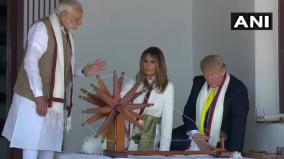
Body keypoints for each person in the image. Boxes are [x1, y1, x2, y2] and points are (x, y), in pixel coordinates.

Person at [2, 1, 106, 159]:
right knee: (32, 145)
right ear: (64, 16)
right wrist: (38, 96)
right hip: (33, 99)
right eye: (77, 19)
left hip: (54, 102)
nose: (80, 23)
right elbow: (30, 62)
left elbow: (62, 66)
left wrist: (83, 71)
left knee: (48, 146)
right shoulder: (42, 28)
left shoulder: (66, 35)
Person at [170, 55, 249, 153]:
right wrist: (195, 135)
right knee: (168, 140)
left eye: (213, 74)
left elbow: (238, 127)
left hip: (220, 139)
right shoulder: (198, 82)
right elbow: (188, 112)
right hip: (196, 135)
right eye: (206, 75)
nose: (209, 79)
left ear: (223, 70)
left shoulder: (237, 89)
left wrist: (234, 154)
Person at [122, 47, 174, 151]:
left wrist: (164, 151)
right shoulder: (133, 82)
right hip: (128, 131)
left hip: (150, 133)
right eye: (145, 61)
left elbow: (167, 121)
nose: (148, 65)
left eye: (152, 62)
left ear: (159, 64)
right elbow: (118, 105)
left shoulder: (167, 86)